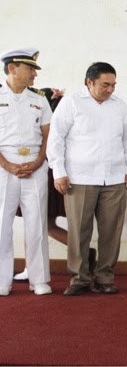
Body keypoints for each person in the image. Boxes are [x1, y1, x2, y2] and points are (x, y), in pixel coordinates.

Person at [47, 62, 127, 296]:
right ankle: (79, 279)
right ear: (89, 82)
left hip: (115, 178)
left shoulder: (120, 106)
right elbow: (56, 139)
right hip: (79, 178)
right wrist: (59, 171)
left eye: (113, 85)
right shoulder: (71, 103)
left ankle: (105, 277)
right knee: (79, 231)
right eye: (105, 85)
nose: (110, 90)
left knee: (111, 232)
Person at [13, 88, 99, 281]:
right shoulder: (57, 123)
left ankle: (32, 267)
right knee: (45, 224)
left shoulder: (44, 126)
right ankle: (84, 252)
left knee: (36, 223)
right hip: (53, 174)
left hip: (43, 174)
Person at [0, 48, 52, 296]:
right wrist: (8, 165)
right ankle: (2, 280)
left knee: (37, 223)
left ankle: (39, 279)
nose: (34, 74)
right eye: (30, 68)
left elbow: (47, 136)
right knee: (1, 224)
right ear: (12, 68)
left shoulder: (39, 99)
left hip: (35, 164)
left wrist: (39, 160)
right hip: (3, 166)